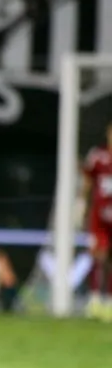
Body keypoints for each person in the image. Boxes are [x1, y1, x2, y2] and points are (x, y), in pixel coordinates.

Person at [81, 122, 112, 320]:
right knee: (97, 255)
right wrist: (81, 204)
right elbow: (87, 182)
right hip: (99, 217)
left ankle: (110, 301)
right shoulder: (98, 157)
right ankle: (93, 299)